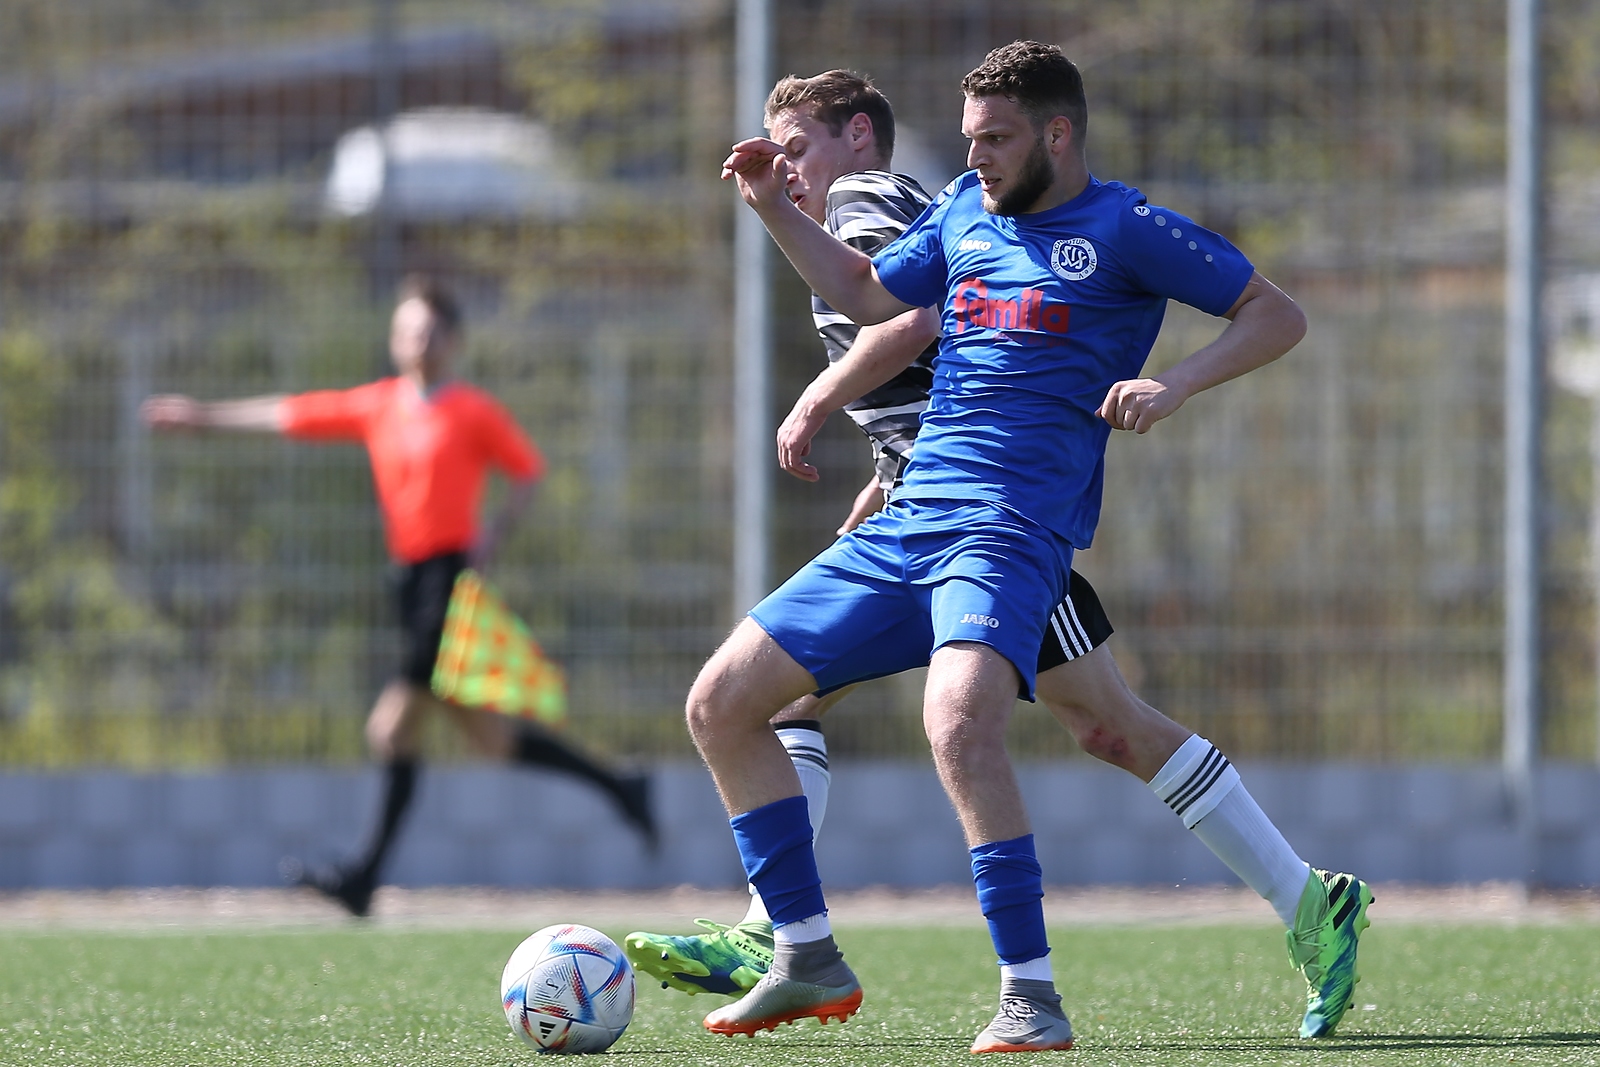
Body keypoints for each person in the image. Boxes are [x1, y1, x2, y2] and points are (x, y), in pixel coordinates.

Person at [705, 43, 1370, 1053]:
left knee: (967, 721)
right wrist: (769, 203)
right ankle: (800, 948)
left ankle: (1030, 992)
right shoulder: (964, 213)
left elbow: (1274, 313)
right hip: (912, 512)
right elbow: (867, 289)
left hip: (1012, 529)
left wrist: (1175, 383)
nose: (975, 159)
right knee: (723, 700)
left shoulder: (1124, 226)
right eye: (969, 139)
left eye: (997, 139)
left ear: (1056, 134)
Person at [141, 275, 656, 917]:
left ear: (455, 342)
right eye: (411, 329)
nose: (423, 340)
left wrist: (491, 536)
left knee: (389, 729)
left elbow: (526, 472)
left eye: (435, 330)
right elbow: (291, 413)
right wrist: (204, 417)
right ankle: (622, 785)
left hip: (447, 584)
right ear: (394, 340)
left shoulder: (470, 408)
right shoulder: (377, 404)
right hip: (408, 582)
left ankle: (363, 877)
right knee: (490, 743)